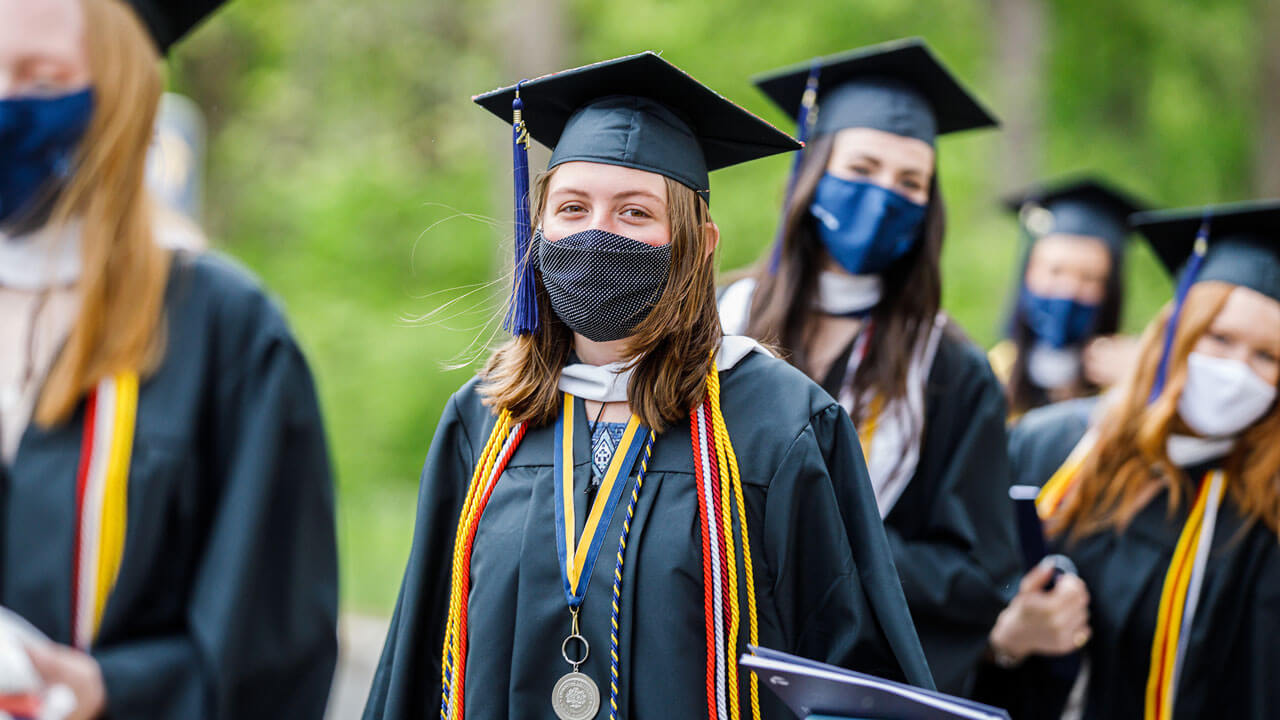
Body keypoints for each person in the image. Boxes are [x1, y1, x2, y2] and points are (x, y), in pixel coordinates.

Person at [363, 51, 934, 720]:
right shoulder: (486, 419)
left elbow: (843, 670)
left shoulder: (778, 423)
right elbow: (420, 655)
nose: (597, 233)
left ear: (697, 243)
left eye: (635, 214)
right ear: (538, 229)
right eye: (573, 208)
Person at [0, 1, 339, 717]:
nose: (4, 101)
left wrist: (109, 688)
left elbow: (270, 649)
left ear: (121, 92)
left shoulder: (222, 331)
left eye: (39, 78)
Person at [720, 38, 1021, 696]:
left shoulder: (949, 370)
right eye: (862, 168)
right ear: (812, 171)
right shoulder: (718, 321)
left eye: (910, 183)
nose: (883, 196)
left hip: (849, 680)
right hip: (708, 652)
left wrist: (832, 542)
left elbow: (978, 573)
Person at [979, 200, 1280, 719]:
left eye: (1267, 356)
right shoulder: (1048, 442)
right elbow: (947, 606)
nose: (1236, 370)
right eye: (1221, 338)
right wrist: (1005, 638)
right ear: (1173, 334)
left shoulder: (1264, 520)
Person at [988, 178, 1146, 419]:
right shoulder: (992, 374)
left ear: (1111, 291)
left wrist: (1138, 387)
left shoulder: (1133, 373)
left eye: (1089, 278)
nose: (1068, 291)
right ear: (1028, 274)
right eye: (1055, 271)